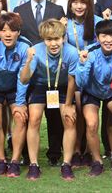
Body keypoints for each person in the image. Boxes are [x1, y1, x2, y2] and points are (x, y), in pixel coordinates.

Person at [13, 0, 66, 166]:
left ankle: (54, 153)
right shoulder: (20, 11)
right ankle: (27, 154)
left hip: (52, 71)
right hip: (29, 69)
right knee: (29, 115)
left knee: (54, 116)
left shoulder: (57, 10)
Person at [18, 19, 78, 180]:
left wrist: (68, 104)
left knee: (69, 119)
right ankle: (33, 164)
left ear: (63, 38)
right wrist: (28, 61)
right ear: (43, 40)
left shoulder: (71, 52)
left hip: (63, 87)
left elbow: (72, 80)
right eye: (49, 40)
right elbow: (24, 80)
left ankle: (66, 164)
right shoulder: (35, 51)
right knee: (34, 119)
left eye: (57, 39)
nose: (53, 44)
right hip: (40, 86)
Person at [75, 19, 112, 178]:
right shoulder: (90, 52)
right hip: (92, 91)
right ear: (98, 38)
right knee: (92, 124)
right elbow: (81, 82)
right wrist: (83, 63)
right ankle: (97, 161)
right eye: (104, 36)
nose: (108, 40)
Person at [0, 13, 30, 177]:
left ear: (18, 32)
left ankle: (15, 161)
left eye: (12, 30)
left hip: (15, 88)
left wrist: (21, 102)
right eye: (3, 30)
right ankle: (1, 160)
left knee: (20, 117)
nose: (8, 34)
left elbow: (22, 79)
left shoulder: (25, 48)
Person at [65, 0, 102, 166]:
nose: (79, 6)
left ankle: (89, 150)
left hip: (93, 75)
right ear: (70, 4)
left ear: (89, 4)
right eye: (75, 2)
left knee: (89, 115)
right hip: (73, 74)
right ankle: (77, 149)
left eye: (83, 2)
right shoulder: (65, 23)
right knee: (76, 112)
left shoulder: (98, 22)